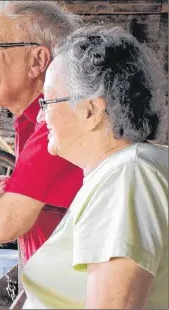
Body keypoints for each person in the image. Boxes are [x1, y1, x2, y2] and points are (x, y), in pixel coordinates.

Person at [23, 25, 168, 309]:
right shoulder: (129, 168)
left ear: (90, 110)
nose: (41, 117)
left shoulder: (128, 177)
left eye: (47, 102)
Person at [0, 1, 84, 263]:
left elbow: (4, 225)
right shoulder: (32, 120)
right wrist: (12, 189)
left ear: (37, 61)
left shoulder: (55, 124)